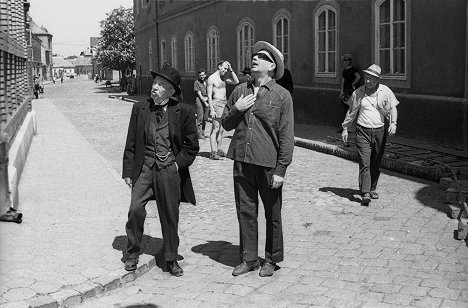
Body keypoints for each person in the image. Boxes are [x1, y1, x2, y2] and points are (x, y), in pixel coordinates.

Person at [221, 41, 294, 277]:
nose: (255, 57)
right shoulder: (239, 91)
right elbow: (226, 123)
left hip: (268, 164)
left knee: (272, 214)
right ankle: (249, 259)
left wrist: (281, 169)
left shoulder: (282, 96)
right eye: (254, 55)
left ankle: (271, 259)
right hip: (242, 160)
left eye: (261, 56)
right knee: (245, 211)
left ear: (272, 66)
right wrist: (237, 109)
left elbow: (286, 135)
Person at [122, 66, 199, 277]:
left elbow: (192, 147)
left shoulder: (184, 112)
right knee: (135, 209)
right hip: (145, 167)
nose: (154, 87)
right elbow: (131, 142)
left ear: (171, 91)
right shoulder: (140, 108)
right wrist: (128, 171)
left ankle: (171, 258)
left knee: (169, 214)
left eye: (160, 85)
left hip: (168, 170)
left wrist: (176, 165)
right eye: (155, 82)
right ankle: (132, 253)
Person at [341, 64, 399, 205]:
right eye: (366, 78)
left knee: (375, 161)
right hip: (362, 131)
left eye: (371, 79)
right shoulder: (358, 93)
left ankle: (372, 188)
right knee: (364, 161)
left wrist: (393, 123)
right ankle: (365, 192)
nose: (367, 81)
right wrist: (345, 128)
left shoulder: (385, 91)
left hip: (379, 131)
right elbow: (351, 111)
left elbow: (393, 109)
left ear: (377, 80)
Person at [207, 60, 239, 160]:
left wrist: (231, 69)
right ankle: (213, 152)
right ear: (219, 66)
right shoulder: (212, 78)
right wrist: (211, 109)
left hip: (224, 103)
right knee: (215, 129)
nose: (225, 70)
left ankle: (219, 149)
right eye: (224, 68)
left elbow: (236, 81)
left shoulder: (224, 77)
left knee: (221, 130)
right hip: (216, 103)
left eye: (226, 69)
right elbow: (209, 95)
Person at [194, 69, 209, 139]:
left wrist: (208, 99)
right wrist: (205, 102)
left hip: (207, 99)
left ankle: (203, 132)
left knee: (205, 118)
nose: (201, 77)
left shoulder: (207, 82)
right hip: (200, 100)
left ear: (205, 75)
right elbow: (199, 94)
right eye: (200, 75)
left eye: (203, 75)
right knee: (200, 117)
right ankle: (199, 134)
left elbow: (210, 91)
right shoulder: (196, 83)